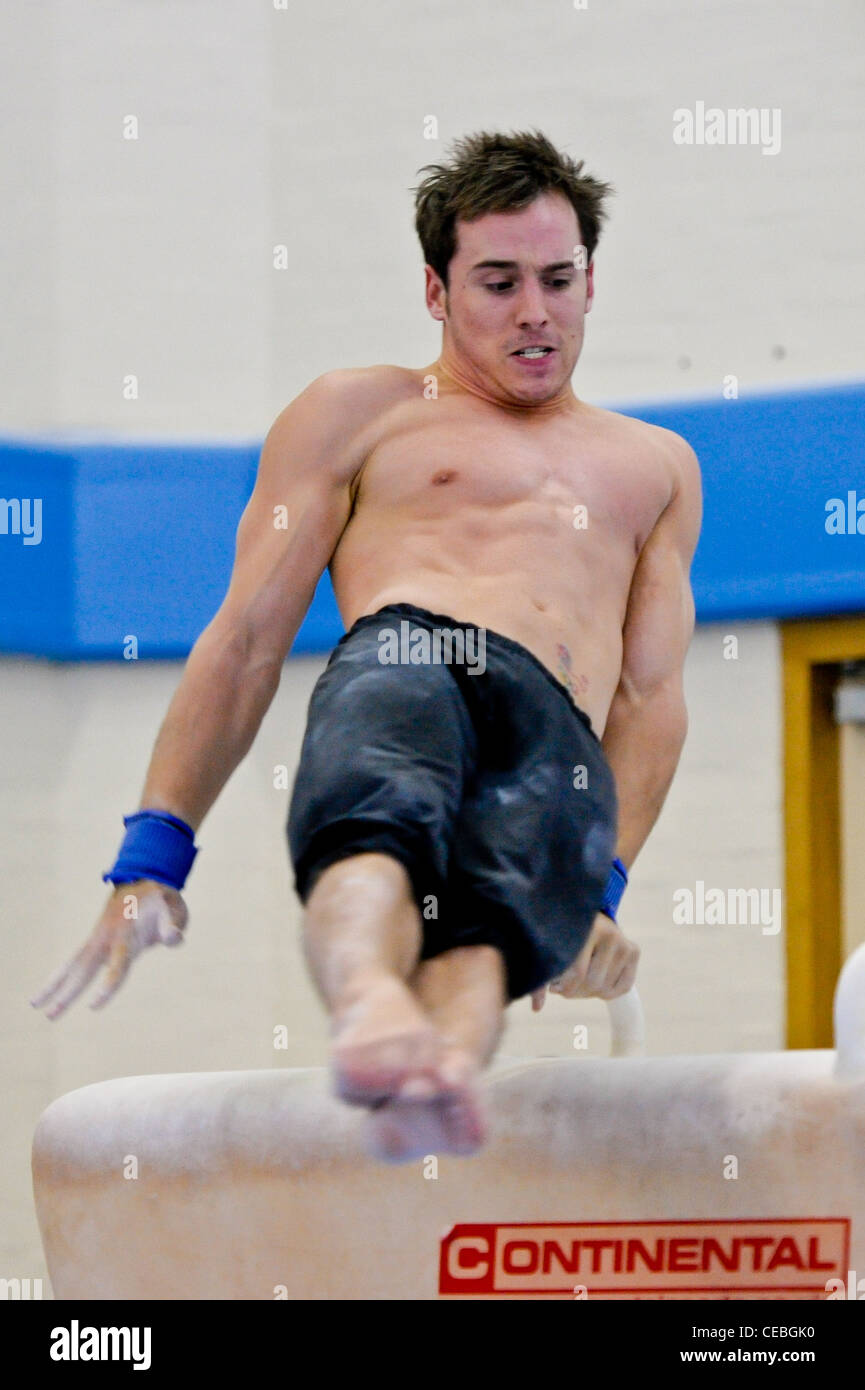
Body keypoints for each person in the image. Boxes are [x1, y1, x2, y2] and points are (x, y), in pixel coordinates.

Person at [31, 130, 702, 1164]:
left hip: (551, 732)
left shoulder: (655, 465)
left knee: (491, 938)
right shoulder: (358, 412)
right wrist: (154, 849)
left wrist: (595, 887)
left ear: (591, 280)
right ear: (435, 290)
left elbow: (650, 700)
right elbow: (248, 637)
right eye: (497, 281)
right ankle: (364, 1006)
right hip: (411, 662)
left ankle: (428, 1076)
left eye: (558, 279)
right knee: (374, 835)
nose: (534, 311)